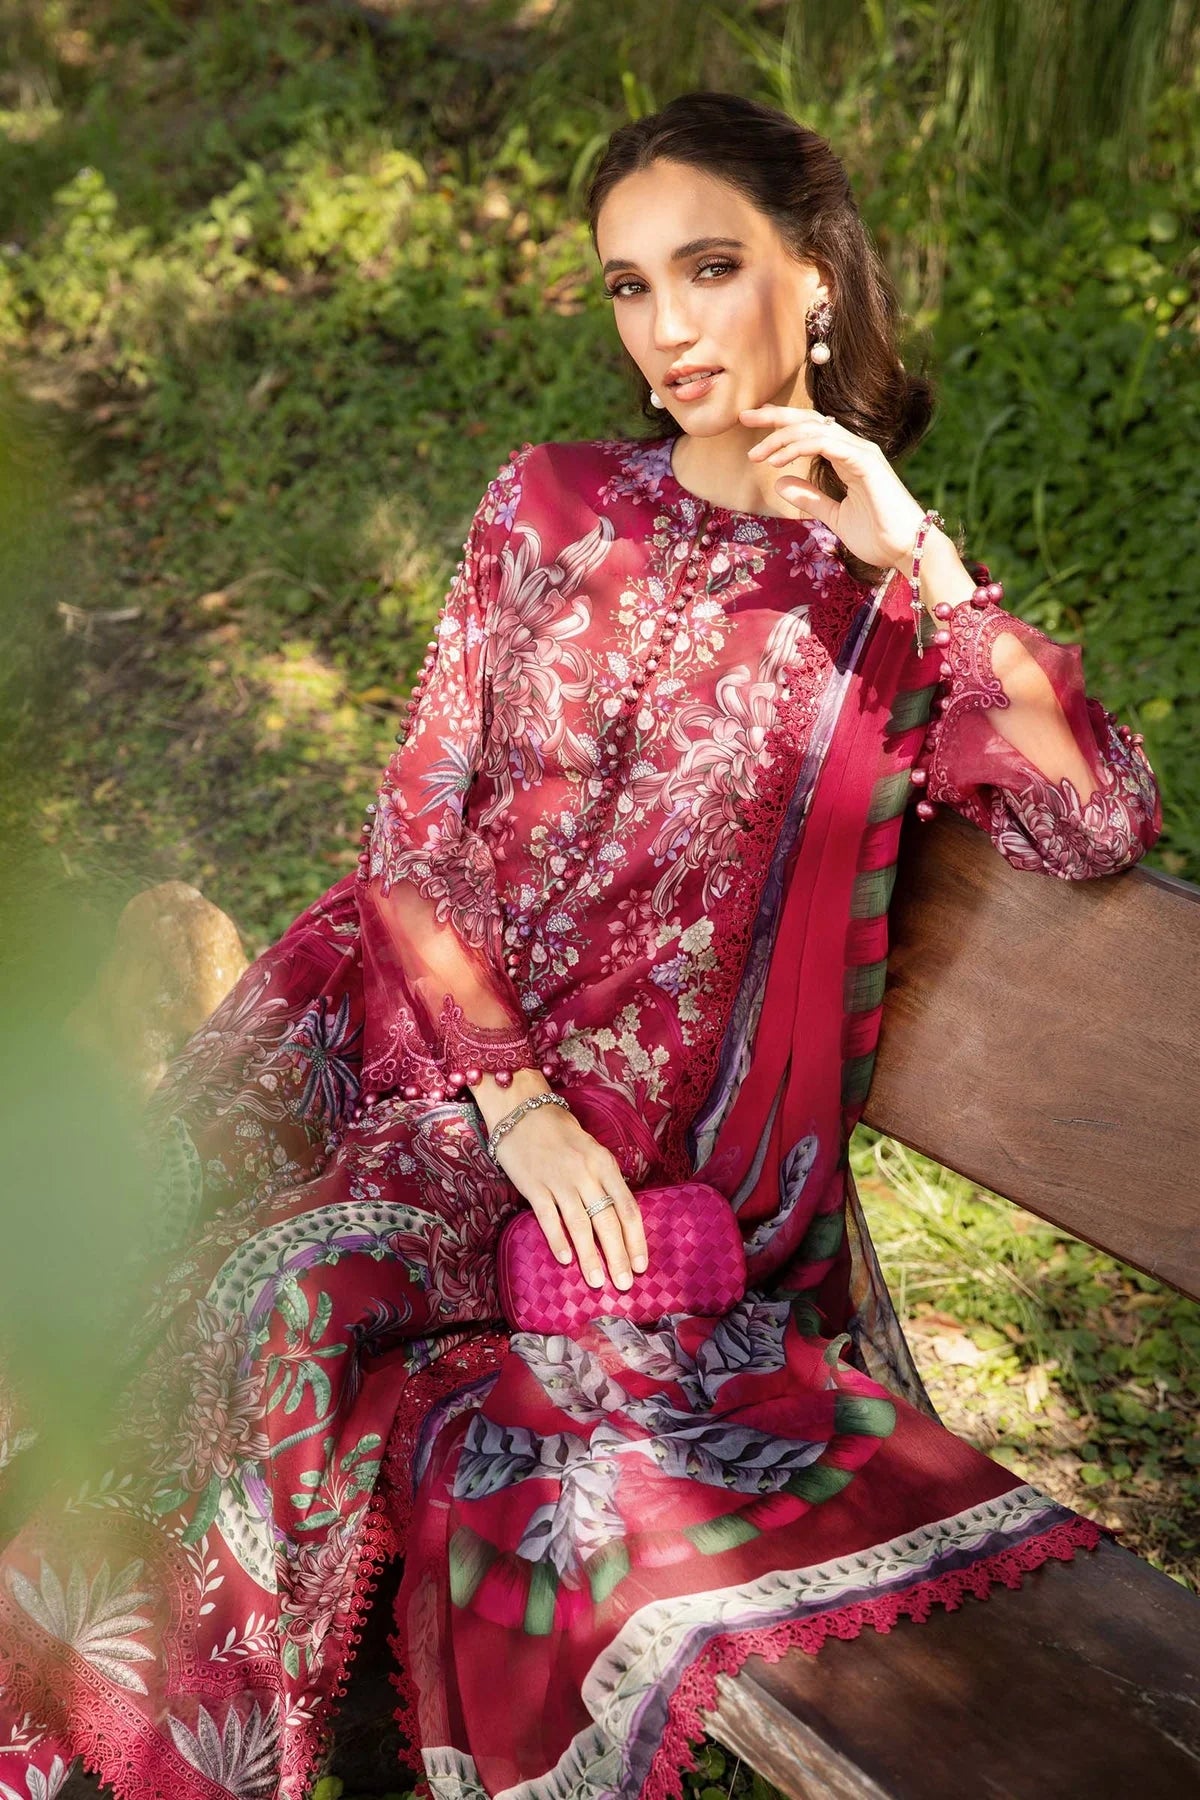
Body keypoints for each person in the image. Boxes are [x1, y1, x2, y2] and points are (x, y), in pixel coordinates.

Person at [0, 90, 1162, 1800]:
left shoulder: (884, 608)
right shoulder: (546, 504)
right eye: (630, 286)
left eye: (710, 268)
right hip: (401, 1037)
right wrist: (510, 1094)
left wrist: (917, 555)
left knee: (285, 1303)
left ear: (817, 272)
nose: (667, 327)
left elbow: (1093, 821)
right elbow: (415, 831)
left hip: (631, 1162)